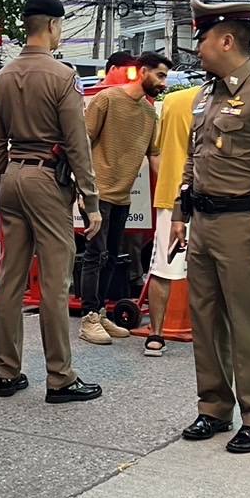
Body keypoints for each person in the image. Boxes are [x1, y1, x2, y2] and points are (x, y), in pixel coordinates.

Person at [171, 0, 250, 454]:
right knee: (205, 323)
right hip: (203, 222)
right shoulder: (207, 94)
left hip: (244, 224)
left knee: (248, 325)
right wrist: (180, 215)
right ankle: (214, 409)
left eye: (202, 39)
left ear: (226, 40)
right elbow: (194, 157)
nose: (197, 48)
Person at [0, 0, 103, 404]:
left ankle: (7, 373)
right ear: (53, 27)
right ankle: (60, 378)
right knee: (55, 283)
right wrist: (91, 202)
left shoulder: (0, 78)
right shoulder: (62, 76)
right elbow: (77, 144)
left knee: (11, 280)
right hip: (46, 180)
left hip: (12, 178)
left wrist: (6, 176)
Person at [79, 51, 169, 345]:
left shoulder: (148, 113)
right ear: (142, 72)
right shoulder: (107, 100)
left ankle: (101, 312)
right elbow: (82, 142)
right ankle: (88, 318)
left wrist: (174, 187)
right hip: (97, 194)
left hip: (122, 197)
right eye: (160, 75)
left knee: (110, 257)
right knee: (94, 255)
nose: (164, 83)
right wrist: (83, 191)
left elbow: (153, 154)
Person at [141, 82, 201, 357]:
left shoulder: (173, 102)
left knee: (164, 267)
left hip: (173, 193)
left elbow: (155, 149)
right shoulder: (236, 101)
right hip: (219, 197)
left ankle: (155, 334)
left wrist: (165, 178)